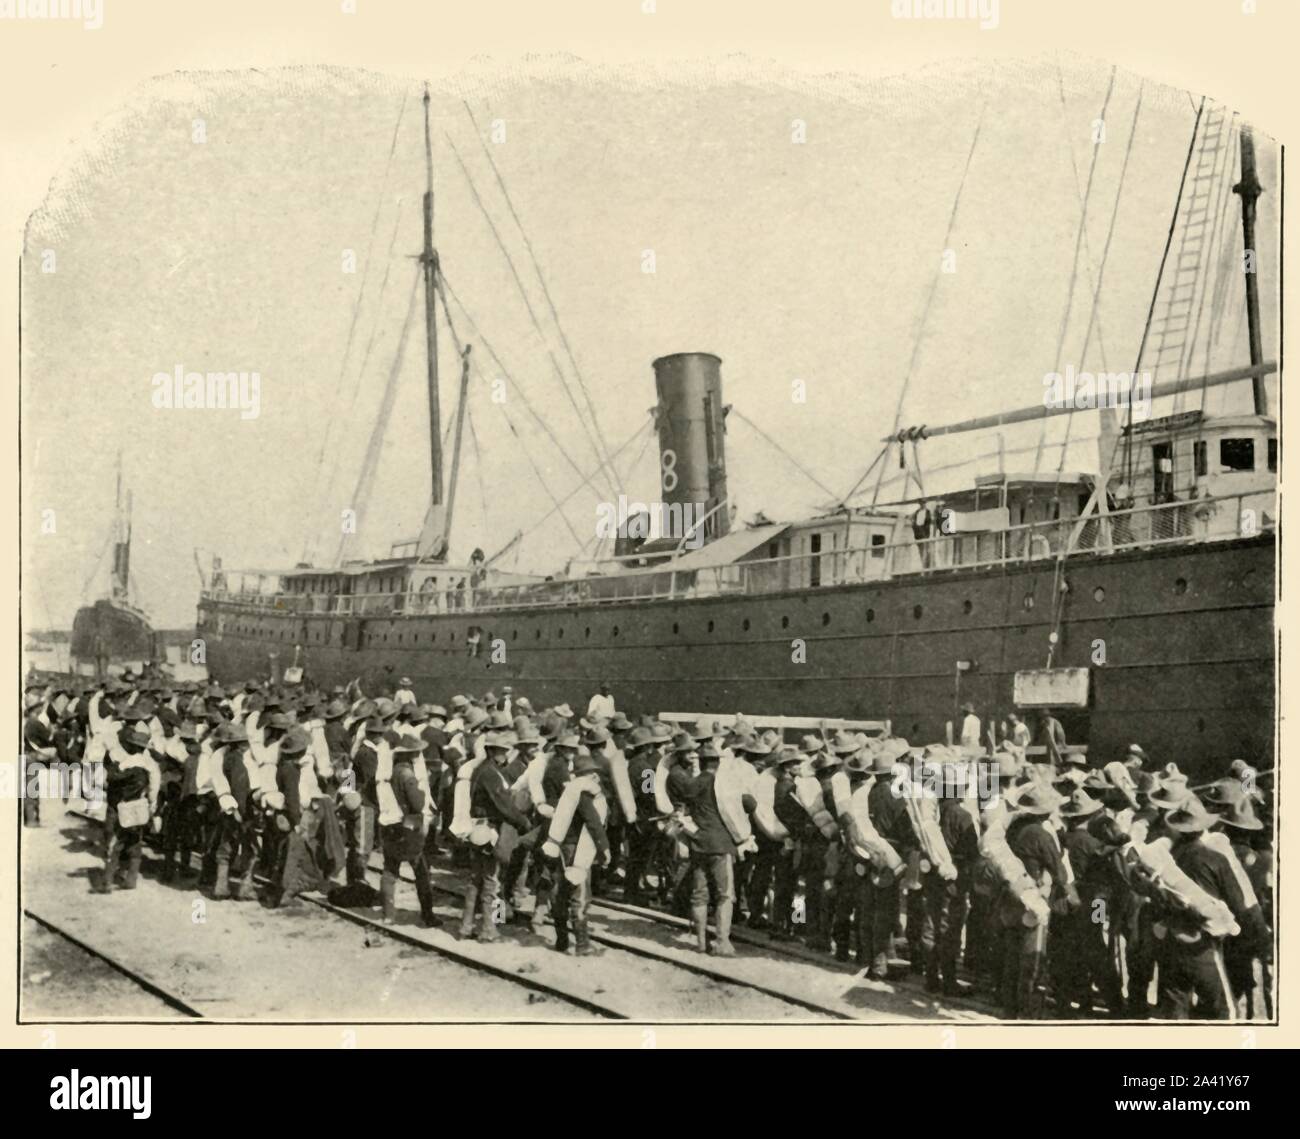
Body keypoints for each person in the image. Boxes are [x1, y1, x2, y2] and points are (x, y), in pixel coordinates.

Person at [376, 731, 440, 927]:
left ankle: (388, 915)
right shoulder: (408, 775)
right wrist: (422, 789)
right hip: (409, 828)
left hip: (390, 826)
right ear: (412, 754)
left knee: (389, 871)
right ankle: (428, 915)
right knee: (421, 871)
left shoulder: (390, 772)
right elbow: (418, 804)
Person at [94, 723, 160, 894]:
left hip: (122, 807)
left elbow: (109, 780)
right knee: (135, 842)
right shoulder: (151, 764)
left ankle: (107, 881)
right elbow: (154, 788)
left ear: (132, 746)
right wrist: (152, 804)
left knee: (116, 842)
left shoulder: (125, 763)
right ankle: (131, 879)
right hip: (140, 807)